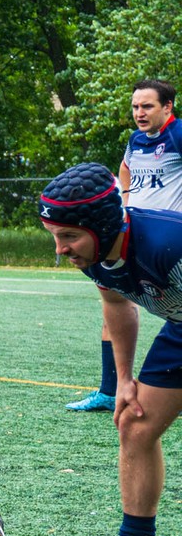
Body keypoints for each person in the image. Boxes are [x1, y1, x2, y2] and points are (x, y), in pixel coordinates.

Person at [37, 163, 182, 536]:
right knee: (134, 426)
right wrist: (123, 380)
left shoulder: (169, 244)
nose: (60, 249)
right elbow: (118, 304)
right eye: (55, 236)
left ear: (100, 225)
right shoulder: (96, 255)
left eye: (68, 236)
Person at [69, 79, 182, 412]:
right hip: (133, 238)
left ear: (167, 107)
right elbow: (125, 169)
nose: (139, 113)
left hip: (169, 247)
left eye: (147, 106)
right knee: (113, 300)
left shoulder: (178, 136)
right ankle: (110, 389)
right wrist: (126, 201)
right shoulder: (136, 140)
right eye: (135, 107)